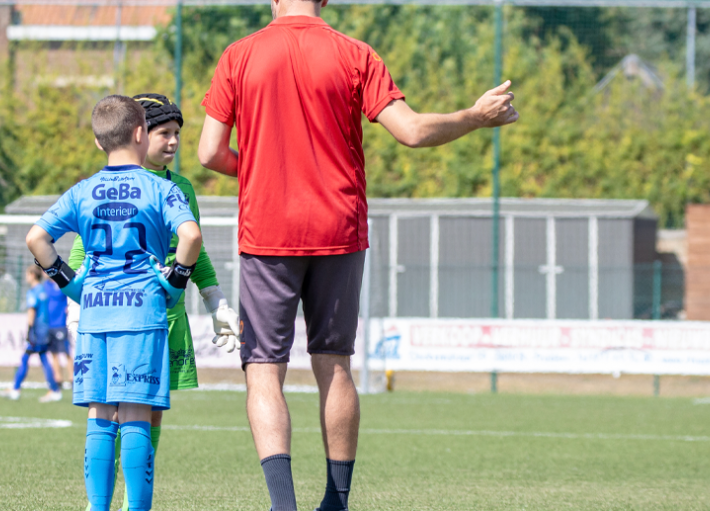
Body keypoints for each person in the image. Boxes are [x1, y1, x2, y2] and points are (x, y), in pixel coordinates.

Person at [197, 1, 520, 509]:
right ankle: (336, 501)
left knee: (263, 369)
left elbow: (209, 152)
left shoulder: (239, 55)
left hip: (268, 233)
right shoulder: (354, 54)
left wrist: (266, 172)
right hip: (338, 229)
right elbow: (411, 132)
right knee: (336, 365)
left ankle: (284, 506)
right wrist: (474, 117)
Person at [26, 94, 203, 511]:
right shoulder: (161, 188)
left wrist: (70, 285)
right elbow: (191, 237)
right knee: (137, 414)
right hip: (143, 313)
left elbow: (36, 237)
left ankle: (97, 508)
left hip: (95, 314)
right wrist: (176, 282)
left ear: (98, 142)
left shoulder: (83, 190)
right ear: (141, 134)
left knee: (101, 415)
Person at [66, 92, 240, 511]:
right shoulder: (107, 185)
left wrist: (216, 300)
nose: (173, 142)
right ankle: (105, 502)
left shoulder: (179, 187)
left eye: (178, 133)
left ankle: (130, 500)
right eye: (164, 132)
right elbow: (79, 251)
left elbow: (193, 248)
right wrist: (77, 304)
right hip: (119, 314)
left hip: (167, 317)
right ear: (140, 134)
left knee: (150, 413)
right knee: (105, 411)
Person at [0, 265, 64, 403]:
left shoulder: (33, 292)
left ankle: (16, 389)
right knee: (43, 358)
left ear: (33, 275)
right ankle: (54, 390)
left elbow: (31, 312)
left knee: (25, 358)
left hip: (37, 331)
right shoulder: (43, 290)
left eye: (27, 274)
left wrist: (29, 331)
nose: (26, 277)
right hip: (45, 329)